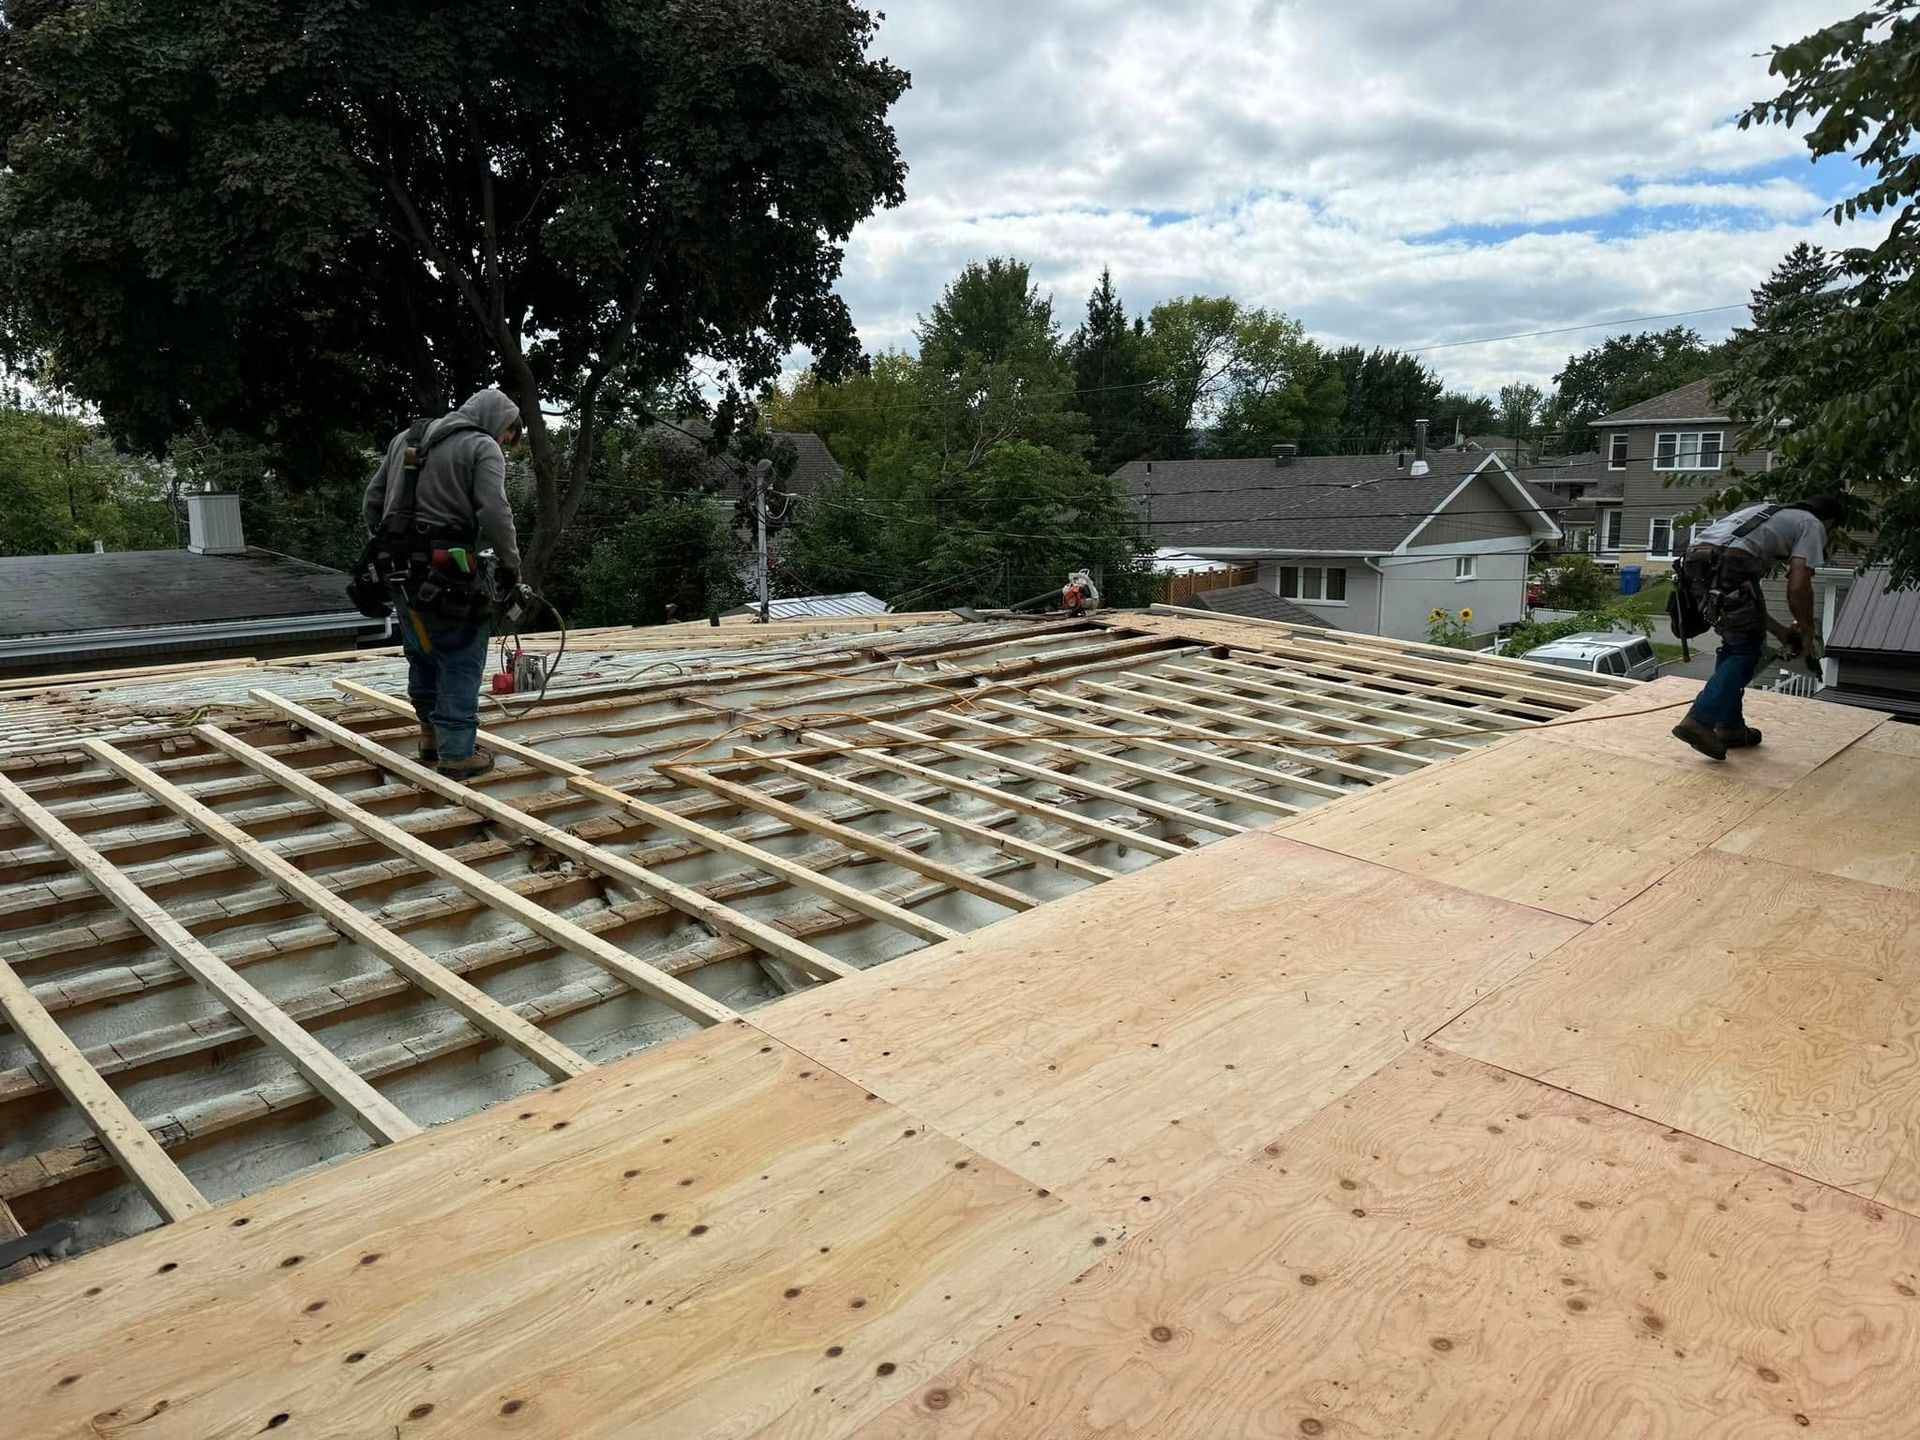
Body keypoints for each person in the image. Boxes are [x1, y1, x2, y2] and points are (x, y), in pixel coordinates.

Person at [363, 388, 525, 779]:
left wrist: (390, 546)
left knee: (422, 648)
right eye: (507, 437)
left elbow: (373, 499)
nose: (503, 445)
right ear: (498, 421)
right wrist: (511, 565)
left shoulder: (408, 438)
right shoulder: (480, 446)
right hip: (447, 570)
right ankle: (456, 753)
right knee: (461, 652)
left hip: (398, 570)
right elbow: (495, 511)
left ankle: (430, 739)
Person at [1670, 494, 1846, 761]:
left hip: (1695, 562)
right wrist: (1808, 631)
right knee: (1746, 651)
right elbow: (1798, 587)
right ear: (1830, 522)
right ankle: (1698, 721)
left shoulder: (1770, 513)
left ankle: (1730, 727)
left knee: (1737, 643)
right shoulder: (1813, 524)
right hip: (1731, 564)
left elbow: (1750, 606)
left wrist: (1782, 633)